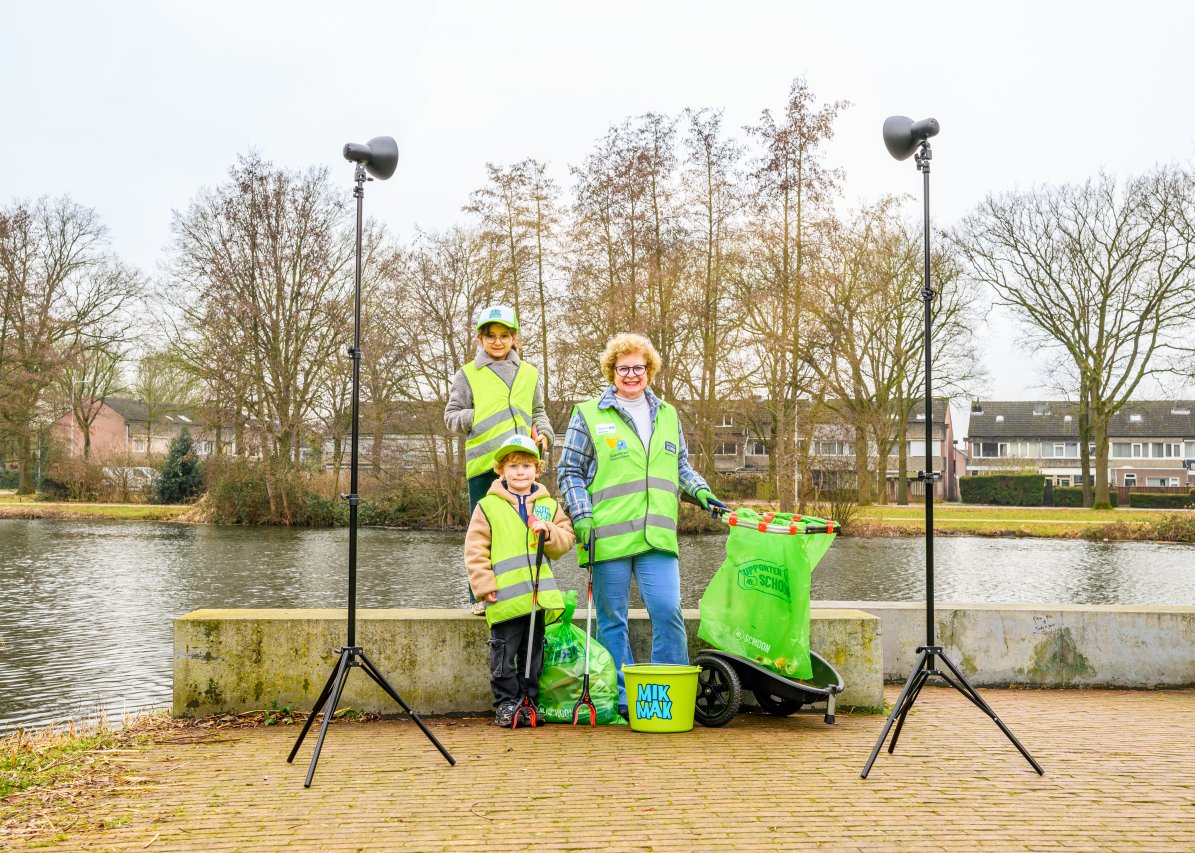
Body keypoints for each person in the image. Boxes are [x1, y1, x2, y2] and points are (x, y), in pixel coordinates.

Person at [557, 332, 725, 716]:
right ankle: (623, 699)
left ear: (649, 370)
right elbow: (569, 471)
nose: (631, 374)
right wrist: (582, 516)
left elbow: (680, 466)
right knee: (612, 622)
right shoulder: (588, 414)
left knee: (668, 611)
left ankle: (666, 699)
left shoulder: (667, 414)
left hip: (657, 537)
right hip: (607, 536)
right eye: (623, 368)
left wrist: (701, 491)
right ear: (611, 371)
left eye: (638, 367)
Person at [445, 304, 554, 614]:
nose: (497, 342)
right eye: (490, 336)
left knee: (528, 531)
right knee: (483, 534)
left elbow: (538, 412)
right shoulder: (468, 374)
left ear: (514, 338)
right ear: (480, 339)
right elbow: (451, 417)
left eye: (504, 335)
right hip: (484, 467)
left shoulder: (529, 373)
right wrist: (476, 416)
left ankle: (528, 595)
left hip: (523, 468)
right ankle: (480, 597)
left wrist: (546, 434)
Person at [465, 434, 574, 727]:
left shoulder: (549, 505)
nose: (520, 472)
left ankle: (529, 703)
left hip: (537, 598)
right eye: (513, 466)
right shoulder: (488, 506)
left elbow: (565, 540)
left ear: (537, 470)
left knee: (533, 655)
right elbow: (475, 549)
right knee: (503, 654)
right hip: (504, 598)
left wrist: (549, 532)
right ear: (501, 470)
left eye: (526, 466)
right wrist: (483, 585)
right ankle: (505, 704)